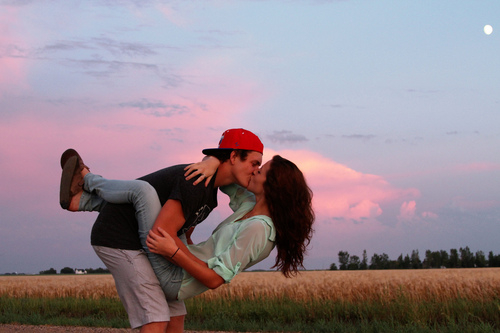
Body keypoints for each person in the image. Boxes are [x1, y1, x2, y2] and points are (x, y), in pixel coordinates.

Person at [59, 128, 264, 333]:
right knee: (155, 318)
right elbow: (162, 233)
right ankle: (87, 182)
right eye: (254, 163)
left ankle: (86, 200)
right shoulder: (196, 183)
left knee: (175, 317)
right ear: (234, 156)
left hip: (143, 237)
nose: (256, 170)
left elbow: (180, 229)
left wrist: (212, 160)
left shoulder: (209, 194)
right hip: (119, 238)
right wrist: (196, 265)